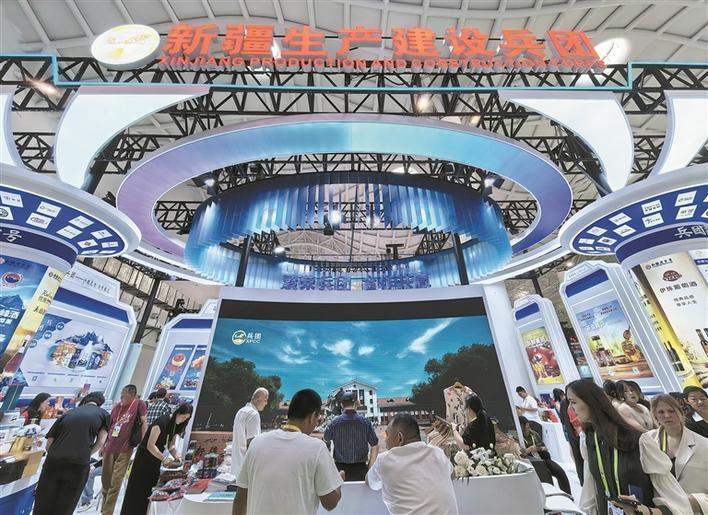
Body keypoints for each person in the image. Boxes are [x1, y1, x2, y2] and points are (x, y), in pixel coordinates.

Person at [566, 379, 691, 515]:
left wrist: (648, 511)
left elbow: (677, 502)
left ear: (591, 401)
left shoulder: (639, 442)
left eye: (573, 402)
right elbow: (590, 490)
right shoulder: (589, 438)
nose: (570, 409)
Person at [233, 388, 343, 515]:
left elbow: (240, 500)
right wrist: (339, 480)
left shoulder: (256, 443)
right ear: (312, 417)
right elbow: (330, 503)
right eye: (317, 419)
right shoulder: (317, 448)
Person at [33, 392, 109, 515]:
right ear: (100, 403)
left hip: (54, 461)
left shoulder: (68, 413)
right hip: (78, 463)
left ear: (86, 400)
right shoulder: (104, 415)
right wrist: (86, 454)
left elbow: (50, 441)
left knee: (43, 501)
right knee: (66, 504)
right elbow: (101, 441)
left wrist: (55, 454)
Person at [366, 413, 458, 515]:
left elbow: (370, 482)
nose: (385, 440)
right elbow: (452, 474)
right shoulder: (437, 453)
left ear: (400, 438)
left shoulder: (385, 460)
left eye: (387, 435)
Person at [120, 403, 193, 515]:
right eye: (183, 417)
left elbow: (171, 446)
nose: (183, 420)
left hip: (156, 459)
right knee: (138, 489)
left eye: (186, 419)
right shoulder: (162, 422)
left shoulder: (176, 426)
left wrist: (177, 456)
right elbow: (150, 445)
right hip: (144, 458)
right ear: (177, 413)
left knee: (149, 488)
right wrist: (164, 459)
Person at [648, 394, 708, 496]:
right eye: (661, 412)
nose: (667, 416)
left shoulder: (703, 444)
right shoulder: (648, 440)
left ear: (680, 412)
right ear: (655, 415)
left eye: (671, 411)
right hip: (662, 501)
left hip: (695, 501)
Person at [101, 384, 147, 515]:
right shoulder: (116, 407)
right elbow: (109, 426)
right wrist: (103, 444)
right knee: (105, 482)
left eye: (124, 393)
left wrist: (142, 442)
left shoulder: (139, 404)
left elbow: (144, 422)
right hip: (109, 447)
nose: (121, 396)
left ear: (132, 394)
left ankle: (107, 512)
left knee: (115, 483)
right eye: (121, 393)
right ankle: (103, 509)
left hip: (125, 448)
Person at [323, 391, 379, 481]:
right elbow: (375, 445)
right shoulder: (365, 422)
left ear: (342, 405)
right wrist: (370, 468)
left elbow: (326, 438)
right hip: (361, 470)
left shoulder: (334, 422)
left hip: (340, 470)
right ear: (355, 403)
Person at [518, 415, 572, 495]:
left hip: (543, 458)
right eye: (524, 427)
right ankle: (551, 496)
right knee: (546, 476)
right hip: (533, 462)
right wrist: (529, 449)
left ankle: (568, 495)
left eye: (527, 426)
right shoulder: (518, 438)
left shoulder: (534, 434)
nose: (527, 428)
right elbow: (521, 454)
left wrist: (540, 448)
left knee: (560, 472)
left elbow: (545, 448)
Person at [231, 387, 269, 477]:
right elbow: (252, 444)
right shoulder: (253, 414)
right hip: (246, 468)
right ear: (258, 399)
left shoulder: (241, 411)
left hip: (236, 466)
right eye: (265, 400)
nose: (266, 403)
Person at [553, 388, 584, 483]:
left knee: (574, 450)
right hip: (574, 431)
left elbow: (562, 419)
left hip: (569, 430)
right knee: (577, 451)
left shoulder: (562, 403)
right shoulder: (567, 405)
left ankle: (579, 472)